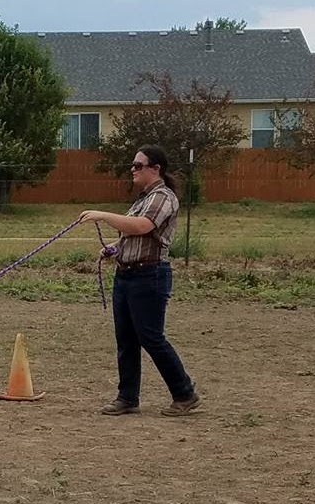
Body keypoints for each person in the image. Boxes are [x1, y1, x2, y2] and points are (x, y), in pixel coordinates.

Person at [78, 144, 200, 417]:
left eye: (139, 165)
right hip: (127, 275)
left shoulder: (163, 198)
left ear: (156, 169)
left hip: (149, 276)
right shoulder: (142, 199)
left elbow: (143, 226)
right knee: (126, 340)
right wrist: (114, 248)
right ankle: (127, 396)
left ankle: (184, 392)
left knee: (151, 338)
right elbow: (131, 236)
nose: (133, 170)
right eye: (133, 165)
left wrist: (103, 215)